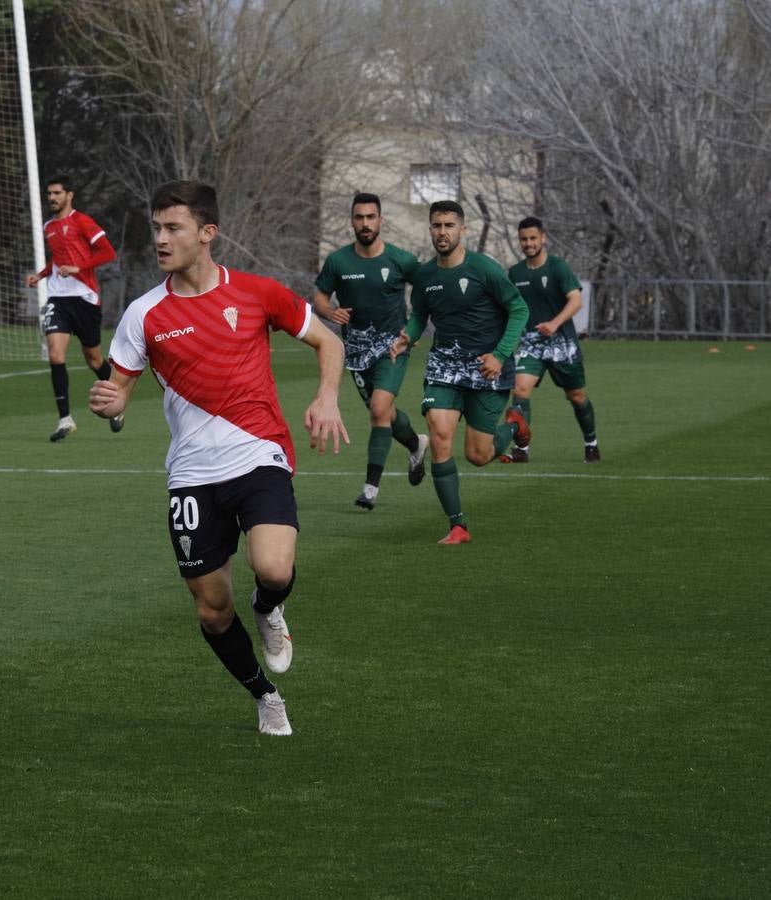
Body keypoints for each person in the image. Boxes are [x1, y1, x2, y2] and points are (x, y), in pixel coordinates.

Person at [89, 181, 348, 736]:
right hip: (191, 475)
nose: (160, 238)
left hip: (258, 455)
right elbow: (118, 399)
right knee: (211, 609)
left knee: (274, 568)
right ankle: (264, 694)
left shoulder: (256, 293)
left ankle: (269, 606)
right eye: (156, 227)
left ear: (207, 234)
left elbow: (330, 341)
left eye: (173, 227)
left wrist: (326, 397)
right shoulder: (143, 314)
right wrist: (109, 405)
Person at [389, 200, 530, 545]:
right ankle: (458, 525)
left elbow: (519, 309)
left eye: (449, 225)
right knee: (438, 433)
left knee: (478, 455)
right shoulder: (424, 275)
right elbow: (420, 313)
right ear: (430, 229)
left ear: (462, 230)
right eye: (436, 225)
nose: (442, 232)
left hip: (487, 365)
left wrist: (499, 355)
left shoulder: (484, 269)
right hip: (445, 364)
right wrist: (409, 334)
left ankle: (515, 425)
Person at [314, 192, 429, 510]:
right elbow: (320, 298)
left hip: (392, 348)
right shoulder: (339, 261)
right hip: (356, 352)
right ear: (352, 220)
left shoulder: (400, 259)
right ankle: (415, 443)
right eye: (359, 217)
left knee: (379, 409)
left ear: (380, 220)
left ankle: (370, 489)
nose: (365, 223)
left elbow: (427, 289)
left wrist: (414, 328)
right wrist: (330, 312)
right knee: (384, 414)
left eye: (371, 217)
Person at [26, 175, 120, 441]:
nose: (52, 198)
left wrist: (80, 268)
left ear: (70, 195)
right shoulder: (49, 227)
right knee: (56, 355)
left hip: (85, 298)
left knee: (94, 359)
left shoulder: (82, 221)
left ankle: (116, 400)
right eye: (49, 194)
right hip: (58, 298)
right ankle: (65, 420)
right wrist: (41, 275)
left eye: (57, 193)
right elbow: (57, 259)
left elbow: (107, 252)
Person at [503, 217, 601, 463]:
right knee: (520, 390)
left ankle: (591, 441)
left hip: (562, 344)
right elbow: (510, 307)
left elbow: (576, 300)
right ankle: (522, 449)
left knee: (576, 396)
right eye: (524, 239)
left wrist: (555, 323)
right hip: (531, 344)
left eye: (533, 238)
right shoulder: (515, 273)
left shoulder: (558, 267)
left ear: (543, 238)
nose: (528, 243)